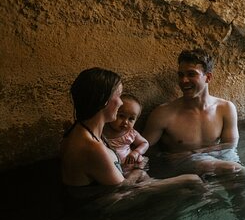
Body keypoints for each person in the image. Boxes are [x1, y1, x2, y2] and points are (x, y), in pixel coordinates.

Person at [143, 48, 245, 205]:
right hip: (184, 167)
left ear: (208, 77)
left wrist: (195, 151)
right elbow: (143, 149)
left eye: (191, 74)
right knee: (238, 171)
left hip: (221, 159)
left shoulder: (225, 108)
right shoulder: (164, 113)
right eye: (181, 75)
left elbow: (230, 145)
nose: (184, 80)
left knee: (240, 190)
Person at [60, 68, 204, 209]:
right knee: (192, 181)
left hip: (100, 195)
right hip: (99, 207)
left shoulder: (80, 129)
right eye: (118, 96)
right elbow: (122, 192)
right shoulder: (93, 148)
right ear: (104, 100)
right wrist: (138, 172)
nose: (121, 103)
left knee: (186, 187)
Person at [102, 93, 149, 173]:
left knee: (144, 180)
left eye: (131, 119)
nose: (125, 122)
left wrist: (136, 152)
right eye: (121, 116)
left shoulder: (130, 133)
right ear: (113, 112)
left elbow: (145, 143)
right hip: (112, 170)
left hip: (130, 167)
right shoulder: (102, 130)